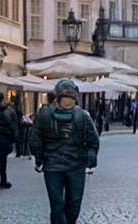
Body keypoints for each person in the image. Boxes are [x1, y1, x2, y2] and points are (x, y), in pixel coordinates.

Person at [32, 79, 101, 224]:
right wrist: (91, 157)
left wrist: (39, 158)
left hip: (56, 166)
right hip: (73, 166)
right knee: (72, 203)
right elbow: (93, 141)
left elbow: (35, 139)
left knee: (58, 204)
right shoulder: (82, 116)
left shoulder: (45, 114)